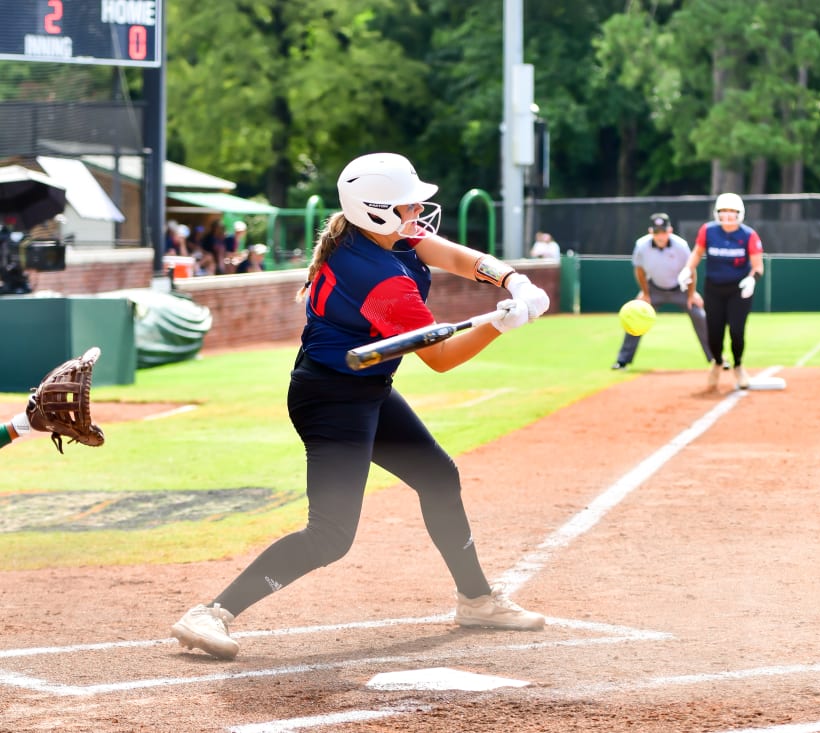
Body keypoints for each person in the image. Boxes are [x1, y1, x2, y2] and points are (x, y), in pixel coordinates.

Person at [169, 152, 551, 660]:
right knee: (331, 535)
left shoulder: (385, 236)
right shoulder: (379, 277)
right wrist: (499, 326)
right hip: (331, 399)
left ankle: (477, 600)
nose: (418, 213)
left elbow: (460, 259)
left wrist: (511, 280)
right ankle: (211, 612)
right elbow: (440, 358)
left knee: (438, 477)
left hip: (366, 388)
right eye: (408, 206)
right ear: (377, 211)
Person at [678, 193, 764, 391]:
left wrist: (752, 279)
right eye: (723, 211)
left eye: (732, 211)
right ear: (717, 213)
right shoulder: (708, 231)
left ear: (740, 213)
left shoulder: (748, 235)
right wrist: (687, 270)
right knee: (714, 333)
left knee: (736, 331)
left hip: (739, 290)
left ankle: (738, 366)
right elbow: (697, 252)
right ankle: (717, 362)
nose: (727, 215)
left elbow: (758, 265)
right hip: (714, 289)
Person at [612, 213, 714, 370]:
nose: (660, 236)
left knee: (700, 315)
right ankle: (622, 360)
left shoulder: (681, 245)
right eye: (656, 232)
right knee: (634, 316)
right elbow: (639, 270)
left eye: (663, 231)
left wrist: (691, 294)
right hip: (654, 289)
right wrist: (645, 293)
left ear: (670, 231)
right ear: (650, 232)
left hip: (680, 289)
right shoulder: (641, 245)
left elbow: (691, 270)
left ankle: (716, 358)